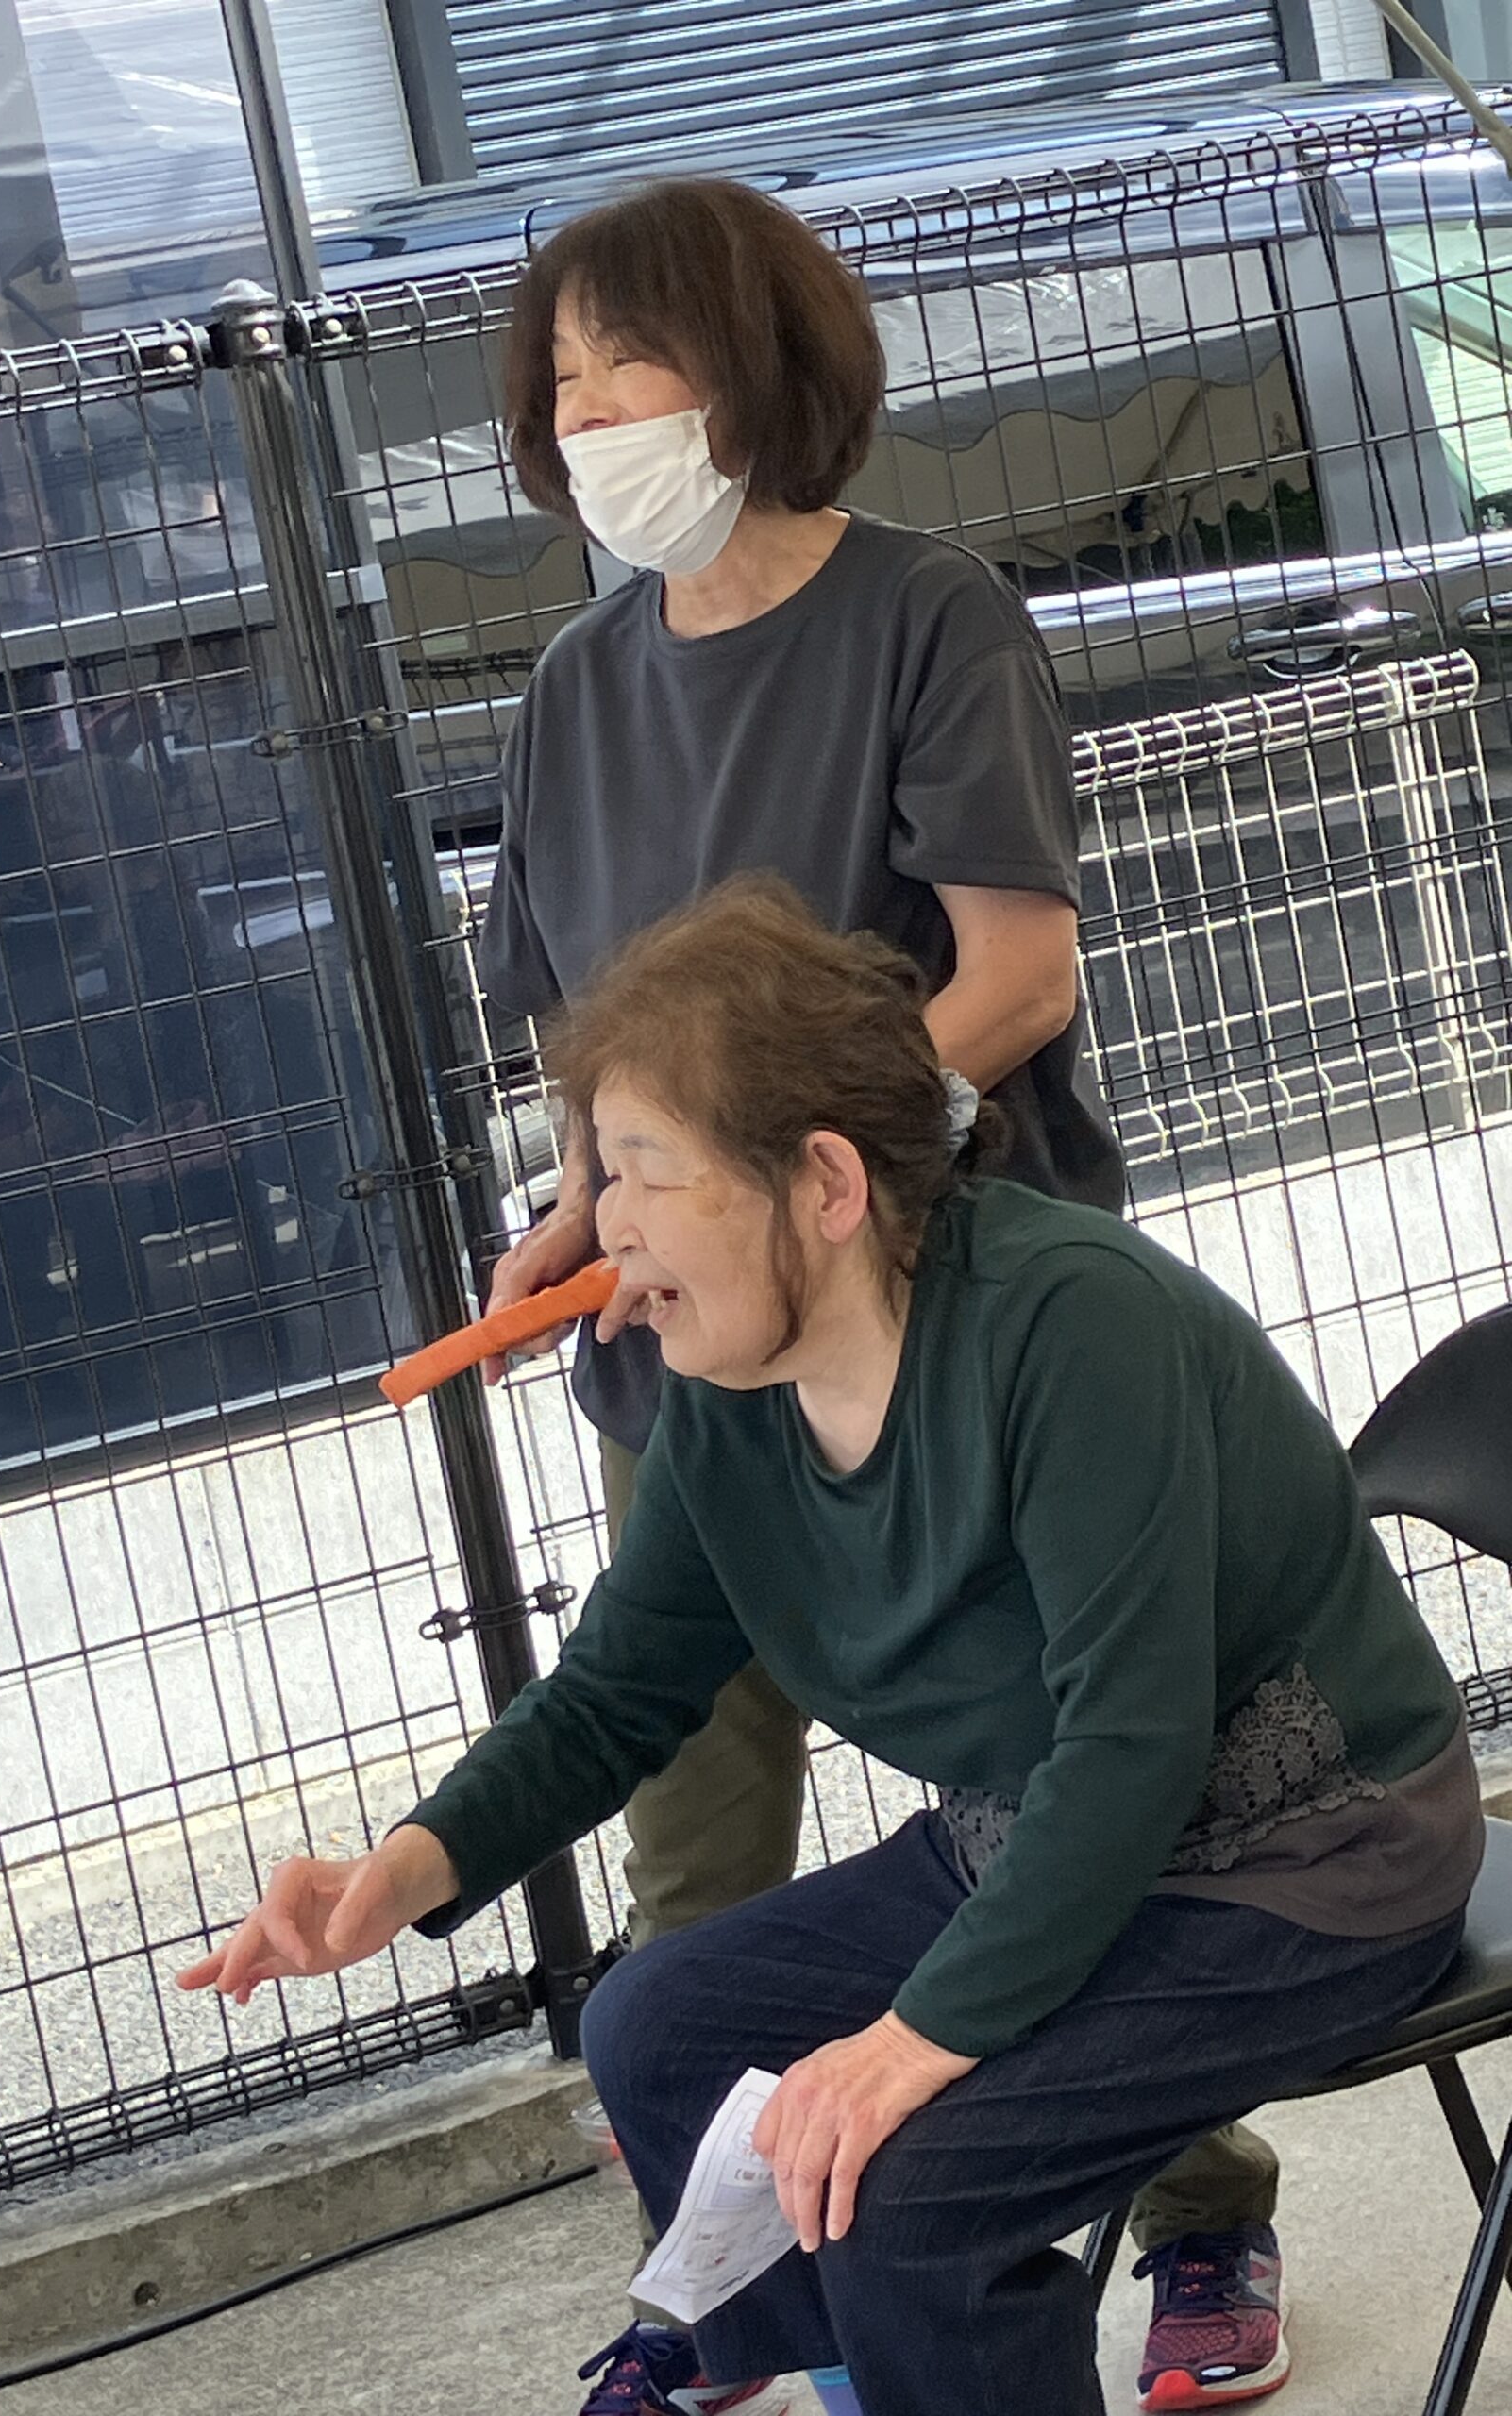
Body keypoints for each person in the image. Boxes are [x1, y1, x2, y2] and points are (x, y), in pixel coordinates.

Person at [178, 881, 1483, 2416]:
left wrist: (915, 2039)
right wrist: (400, 1873)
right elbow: (612, 1694)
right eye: (600, 1173)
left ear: (825, 1183)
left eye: (647, 1171)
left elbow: (1131, 1746)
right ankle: (879, 2379)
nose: (609, 1226)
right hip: (1038, 1837)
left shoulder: (1073, 1326)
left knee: (913, 2191)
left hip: (1307, 1859)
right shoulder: (730, 1397)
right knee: (655, 2026)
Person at [472, 173, 1287, 2410]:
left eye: (634, 364)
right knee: (696, 1879)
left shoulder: (930, 615)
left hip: (957, 1344)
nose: (593, 416)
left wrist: (793, 1175)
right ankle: (738, 2294)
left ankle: (1197, 2202)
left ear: (756, 372)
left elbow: (1016, 972)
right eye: (562, 381)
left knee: (1060, 1824)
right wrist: (592, 1206)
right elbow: (581, 1049)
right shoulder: (571, 690)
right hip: (699, 1367)